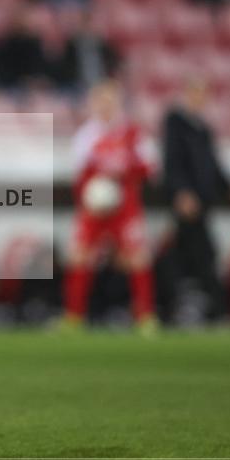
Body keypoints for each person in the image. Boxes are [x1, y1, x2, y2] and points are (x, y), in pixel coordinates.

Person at [63, 81, 158, 332]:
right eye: (100, 101)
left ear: (118, 104)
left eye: (110, 101)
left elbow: (149, 168)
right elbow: (79, 175)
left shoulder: (134, 134)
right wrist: (90, 194)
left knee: (137, 258)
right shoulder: (86, 135)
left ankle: (145, 316)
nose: (105, 106)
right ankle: (74, 316)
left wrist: (123, 174)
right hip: (93, 209)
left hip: (125, 207)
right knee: (80, 256)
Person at [162, 79, 230, 318]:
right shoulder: (175, 123)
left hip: (204, 204)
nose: (198, 99)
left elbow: (213, 165)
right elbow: (172, 162)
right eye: (195, 93)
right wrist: (181, 192)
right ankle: (216, 310)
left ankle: (185, 308)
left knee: (190, 256)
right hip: (189, 205)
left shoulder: (203, 129)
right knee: (201, 255)